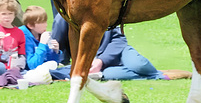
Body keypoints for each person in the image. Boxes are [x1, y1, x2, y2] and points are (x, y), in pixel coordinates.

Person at [51, 14, 192, 81]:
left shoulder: (100, 10)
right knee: (108, 75)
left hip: (117, 52)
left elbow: (119, 39)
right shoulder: (61, 21)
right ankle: (160, 76)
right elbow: (60, 56)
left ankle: (155, 73)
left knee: (140, 65)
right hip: (95, 66)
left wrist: (101, 60)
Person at [20, 5, 71, 81]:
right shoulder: (24, 36)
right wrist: (42, 44)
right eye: (42, 22)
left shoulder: (40, 33)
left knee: (70, 68)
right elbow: (32, 66)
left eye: (45, 21)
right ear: (30, 25)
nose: (46, 25)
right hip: (28, 72)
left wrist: (55, 52)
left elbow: (52, 63)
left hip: (43, 69)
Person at [0, 0, 27, 70]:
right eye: (3, 14)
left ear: (15, 14)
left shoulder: (19, 33)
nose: (7, 17)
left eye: (10, 13)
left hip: (13, 67)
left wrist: (18, 67)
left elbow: (22, 55)